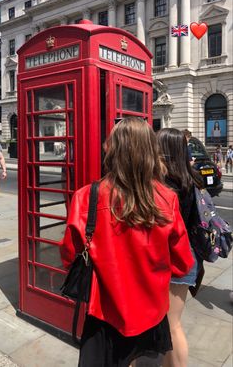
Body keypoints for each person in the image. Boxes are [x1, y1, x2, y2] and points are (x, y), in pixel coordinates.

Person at [60, 117, 194, 367]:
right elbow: (183, 264)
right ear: (151, 152)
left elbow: (69, 255)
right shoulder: (167, 199)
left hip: (104, 315)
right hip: (152, 316)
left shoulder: (86, 197)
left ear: (111, 149)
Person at [157, 128, 204, 367]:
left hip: (172, 259)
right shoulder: (191, 176)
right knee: (172, 324)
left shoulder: (165, 185)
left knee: (171, 325)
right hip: (188, 256)